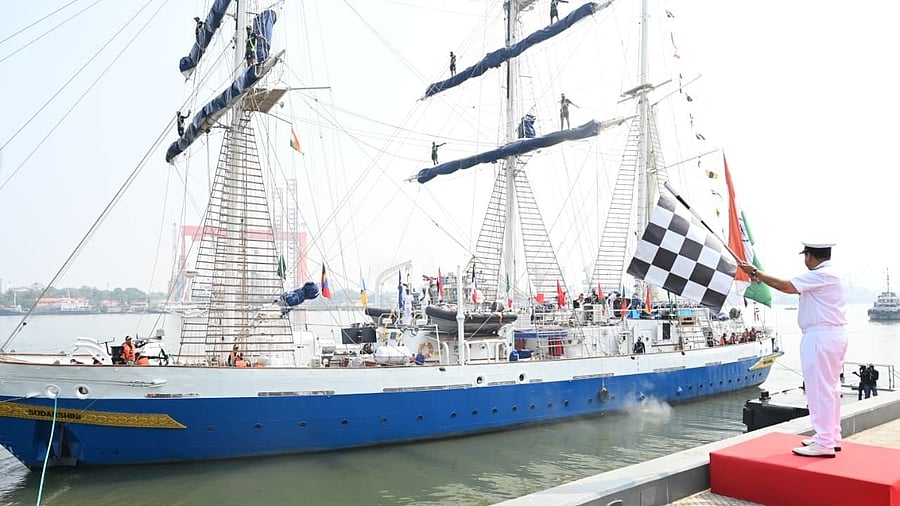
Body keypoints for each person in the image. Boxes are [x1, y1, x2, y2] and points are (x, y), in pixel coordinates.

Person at [738, 240, 847, 458]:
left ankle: (825, 441)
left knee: (819, 389)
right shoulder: (830, 275)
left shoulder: (821, 275)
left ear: (809, 255)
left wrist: (756, 272)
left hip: (820, 337)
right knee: (830, 388)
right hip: (831, 336)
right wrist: (760, 276)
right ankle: (831, 436)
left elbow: (785, 286)